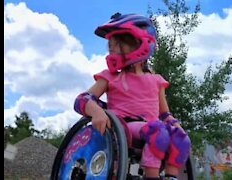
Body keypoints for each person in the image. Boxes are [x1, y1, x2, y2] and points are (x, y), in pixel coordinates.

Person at [73, 12, 191, 180]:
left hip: (153, 128)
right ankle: (152, 176)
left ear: (139, 45)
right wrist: (96, 111)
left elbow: (165, 114)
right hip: (124, 127)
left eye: (117, 44)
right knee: (158, 131)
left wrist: (175, 126)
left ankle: (171, 176)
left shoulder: (156, 81)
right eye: (110, 46)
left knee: (181, 139)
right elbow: (82, 99)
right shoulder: (110, 77)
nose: (111, 49)